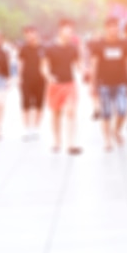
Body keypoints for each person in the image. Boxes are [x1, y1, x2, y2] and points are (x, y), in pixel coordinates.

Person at [90, 17, 127, 151]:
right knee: (106, 113)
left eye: (115, 27)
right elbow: (94, 64)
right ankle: (107, 140)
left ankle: (116, 130)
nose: (113, 29)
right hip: (103, 83)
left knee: (122, 110)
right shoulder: (99, 45)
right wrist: (92, 85)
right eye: (110, 27)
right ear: (106, 29)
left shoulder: (125, 45)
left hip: (121, 83)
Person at [42, 19, 82, 155]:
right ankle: (57, 141)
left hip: (70, 83)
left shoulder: (73, 48)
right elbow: (44, 67)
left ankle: (71, 144)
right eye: (67, 30)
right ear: (61, 30)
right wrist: (49, 77)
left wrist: (86, 72)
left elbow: (79, 66)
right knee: (56, 114)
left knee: (71, 111)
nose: (70, 33)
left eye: (72, 30)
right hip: (55, 85)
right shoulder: (49, 48)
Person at [18, 26, 47, 141]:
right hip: (26, 79)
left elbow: (46, 64)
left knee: (39, 103)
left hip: (40, 79)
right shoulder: (23, 49)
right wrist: (19, 78)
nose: (30, 35)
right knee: (26, 103)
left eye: (32, 33)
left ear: (36, 33)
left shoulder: (43, 48)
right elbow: (21, 63)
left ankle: (36, 127)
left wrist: (47, 77)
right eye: (27, 33)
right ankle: (26, 128)